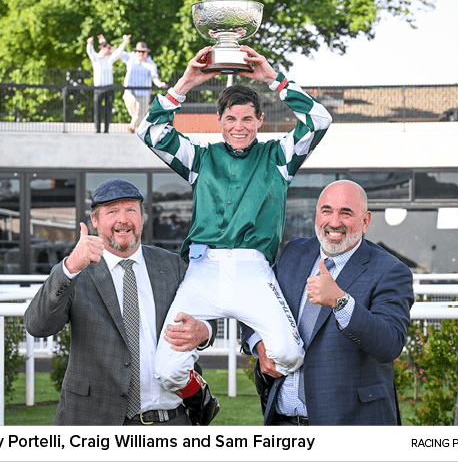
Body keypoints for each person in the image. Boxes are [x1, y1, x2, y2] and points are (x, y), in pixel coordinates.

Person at [136, 46, 332, 402]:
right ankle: (201, 397)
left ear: (260, 120)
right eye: (230, 119)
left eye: (246, 119)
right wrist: (186, 82)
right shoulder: (199, 158)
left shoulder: (279, 157)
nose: (238, 127)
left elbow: (319, 120)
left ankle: (277, 396)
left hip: (253, 271)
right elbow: (148, 131)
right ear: (219, 121)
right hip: (202, 271)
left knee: (289, 354)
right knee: (165, 370)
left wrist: (274, 79)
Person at [24, 178, 219, 426]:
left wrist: (203, 330)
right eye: (112, 211)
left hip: (171, 420)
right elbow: (37, 326)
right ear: (94, 221)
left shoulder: (171, 265)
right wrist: (70, 266)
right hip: (96, 421)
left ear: (142, 217)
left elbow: (206, 313)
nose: (123, 219)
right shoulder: (77, 270)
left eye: (131, 210)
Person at [242, 180, 414, 426]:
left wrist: (340, 301)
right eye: (327, 210)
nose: (334, 222)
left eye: (346, 213)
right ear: (317, 214)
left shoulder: (390, 271)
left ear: (365, 221)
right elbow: (256, 300)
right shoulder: (294, 252)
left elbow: (389, 343)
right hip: (282, 422)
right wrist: (258, 344)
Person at [86, 34, 130, 133]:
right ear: (102, 47)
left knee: (108, 110)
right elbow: (90, 51)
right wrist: (89, 43)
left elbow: (118, 52)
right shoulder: (96, 58)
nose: (110, 49)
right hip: (98, 88)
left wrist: (124, 42)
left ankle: (106, 130)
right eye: (108, 47)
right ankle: (97, 130)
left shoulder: (109, 59)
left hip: (109, 88)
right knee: (97, 110)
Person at [121, 40, 167, 133]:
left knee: (140, 113)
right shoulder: (131, 57)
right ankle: (137, 125)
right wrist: (123, 42)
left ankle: (132, 127)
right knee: (134, 113)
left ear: (146, 52)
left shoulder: (151, 64)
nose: (141, 53)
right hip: (130, 92)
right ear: (136, 52)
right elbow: (117, 53)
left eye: (143, 51)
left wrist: (160, 84)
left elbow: (154, 77)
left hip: (143, 93)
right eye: (139, 51)